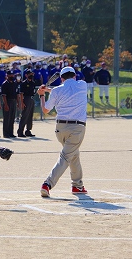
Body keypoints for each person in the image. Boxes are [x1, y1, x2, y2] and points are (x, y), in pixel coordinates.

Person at [37, 66, 88, 197]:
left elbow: (45, 110)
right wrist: (46, 91)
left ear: (61, 78)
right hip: (77, 128)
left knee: (73, 155)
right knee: (66, 157)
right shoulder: (82, 85)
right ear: (75, 76)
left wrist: (42, 95)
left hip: (60, 128)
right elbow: (67, 90)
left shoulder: (56, 91)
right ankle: (47, 184)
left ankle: (78, 185)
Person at [17, 69, 36, 137]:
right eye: (29, 74)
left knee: (30, 116)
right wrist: (21, 102)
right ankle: (20, 131)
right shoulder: (24, 83)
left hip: (31, 99)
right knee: (24, 115)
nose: (31, 75)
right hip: (26, 99)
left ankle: (28, 130)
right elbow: (21, 94)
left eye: (32, 74)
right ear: (26, 75)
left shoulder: (33, 83)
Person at [1, 70, 19, 138]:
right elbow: (4, 95)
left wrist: (17, 102)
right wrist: (5, 104)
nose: (12, 76)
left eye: (12, 75)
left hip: (13, 101)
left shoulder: (14, 83)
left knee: (12, 118)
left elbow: (16, 94)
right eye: (10, 75)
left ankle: (11, 132)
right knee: (7, 118)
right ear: (7, 76)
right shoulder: (5, 84)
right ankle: (6, 133)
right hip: (7, 101)